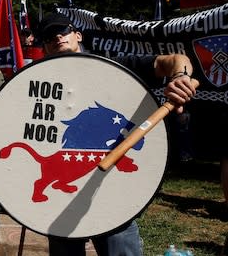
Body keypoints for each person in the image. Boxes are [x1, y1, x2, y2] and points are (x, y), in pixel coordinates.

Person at [37, 13, 197, 256]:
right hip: (65, 188)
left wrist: (180, 76)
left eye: (63, 30)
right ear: (45, 48)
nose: (57, 37)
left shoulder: (114, 66)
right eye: (49, 36)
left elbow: (175, 59)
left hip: (111, 188)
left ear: (78, 35)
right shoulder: (40, 83)